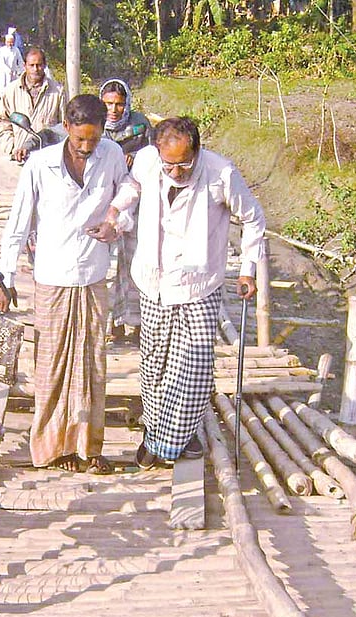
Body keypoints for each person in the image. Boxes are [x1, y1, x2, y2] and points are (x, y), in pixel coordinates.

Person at [105, 117, 267, 468]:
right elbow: (133, 186)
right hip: (153, 282)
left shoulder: (220, 173)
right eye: (169, 164)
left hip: (199, 284)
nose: (176, 171)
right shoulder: (149, 162)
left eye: (184, 163)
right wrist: (116, 210)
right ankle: (159, 433)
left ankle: (168, 443)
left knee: (192, 366)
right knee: (155, 365)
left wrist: (248, 269)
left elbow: (253, 218)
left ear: (197, 151)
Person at [0, 94, 134, 475]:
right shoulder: (40, 164)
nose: (87, 148)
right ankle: (53, 448)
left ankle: (89, 448)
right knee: (51, 365)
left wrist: (114, 221)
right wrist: (4, 278)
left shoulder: (112, 155)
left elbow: (129, 191)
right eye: (79, 140)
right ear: (66, 128)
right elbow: (18, 224)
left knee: (92, 365)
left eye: (94, 139)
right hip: (52, 277)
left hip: (93, 273)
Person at [99, 79, 155, 342]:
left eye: (119, 104)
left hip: (137, 203)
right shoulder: (96, 127)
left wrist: (137, 159)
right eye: (108, 103)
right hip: (105, 204)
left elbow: (155, 157)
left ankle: (134, 322)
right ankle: (109, 323)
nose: (114, 109)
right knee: (103, 265)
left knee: (132, 263)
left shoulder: (141, 125)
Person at [0, 47, 66, 163]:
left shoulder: (57, 91)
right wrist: (11, 147)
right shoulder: (11, 91)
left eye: (39, 65)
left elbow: (64, 125)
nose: (36, 69)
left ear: (45, 66)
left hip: (47, 159)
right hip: (19, 158)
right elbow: (2, 121)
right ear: (25, 65)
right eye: (31, 65)